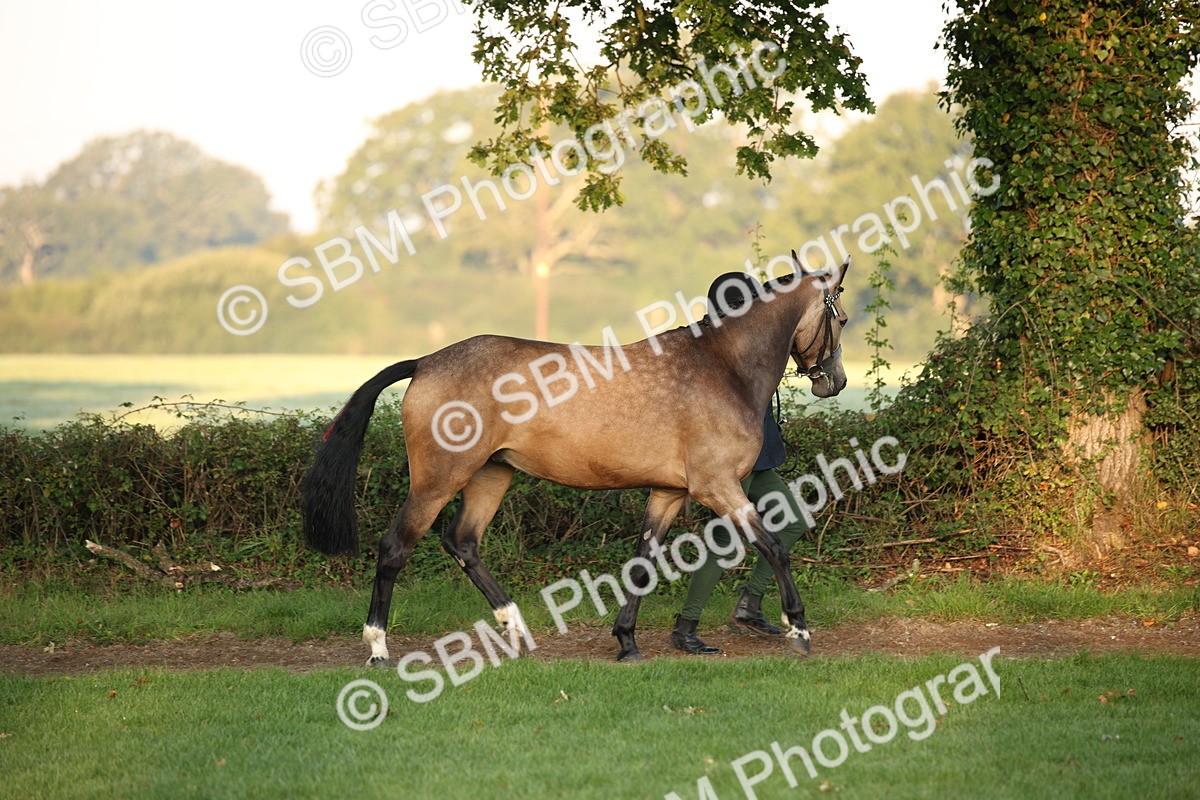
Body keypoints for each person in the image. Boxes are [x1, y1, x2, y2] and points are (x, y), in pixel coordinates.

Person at [669, 271, 813, 655]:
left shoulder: (753, 340)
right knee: (725, 536)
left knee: (796, 519)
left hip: (759, 455)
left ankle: (749, 603)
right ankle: (686, 625)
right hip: (733, 456)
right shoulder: (712, 345)